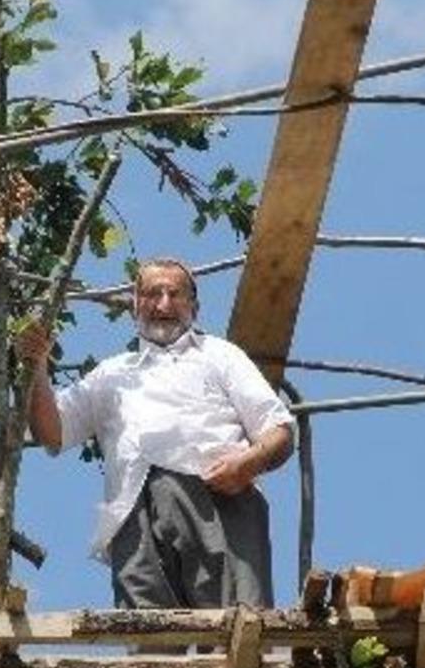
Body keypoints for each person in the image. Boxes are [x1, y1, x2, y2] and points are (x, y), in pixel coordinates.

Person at [16, 258, 294, 633]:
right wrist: (36, 366)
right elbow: (53, 432)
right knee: (150, 638)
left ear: (194, 307)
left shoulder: (219, 355)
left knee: (238, 628)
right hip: (133, 513)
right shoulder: (112, 373)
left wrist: (247, 464)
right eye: (151, 294)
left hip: (216, 500)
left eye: (174, 294)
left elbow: (279, 431)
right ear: (135, 305)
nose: (163, 304)